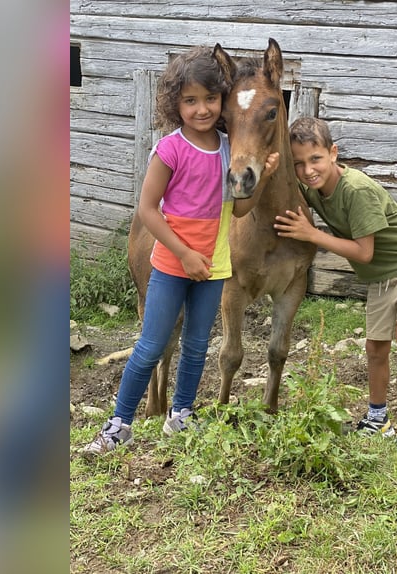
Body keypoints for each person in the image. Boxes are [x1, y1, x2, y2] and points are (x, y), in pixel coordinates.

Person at [83, 46, 278, 455]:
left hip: (215, 266)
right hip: (173, 264)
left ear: (223, 100)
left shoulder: (228, 148)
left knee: (196, 345)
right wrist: (184, 253)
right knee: (152, 345)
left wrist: (262, 179)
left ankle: (182, 414)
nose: (202, 109)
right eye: (190, 100)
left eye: (210, 99)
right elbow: (147, 210)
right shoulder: (169, 149)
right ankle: (119, 423)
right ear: (176, 103)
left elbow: (239, 208)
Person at [273, 117, 397, 442]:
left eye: (315, 159)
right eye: (299, 164)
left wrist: (311, 234)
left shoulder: (356, 190)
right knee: (375, 348)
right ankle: (378, 418)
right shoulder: (313, 188)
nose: (308, 170)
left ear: (333, 153)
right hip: (381, 276)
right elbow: (281, 184)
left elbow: (364, 252)